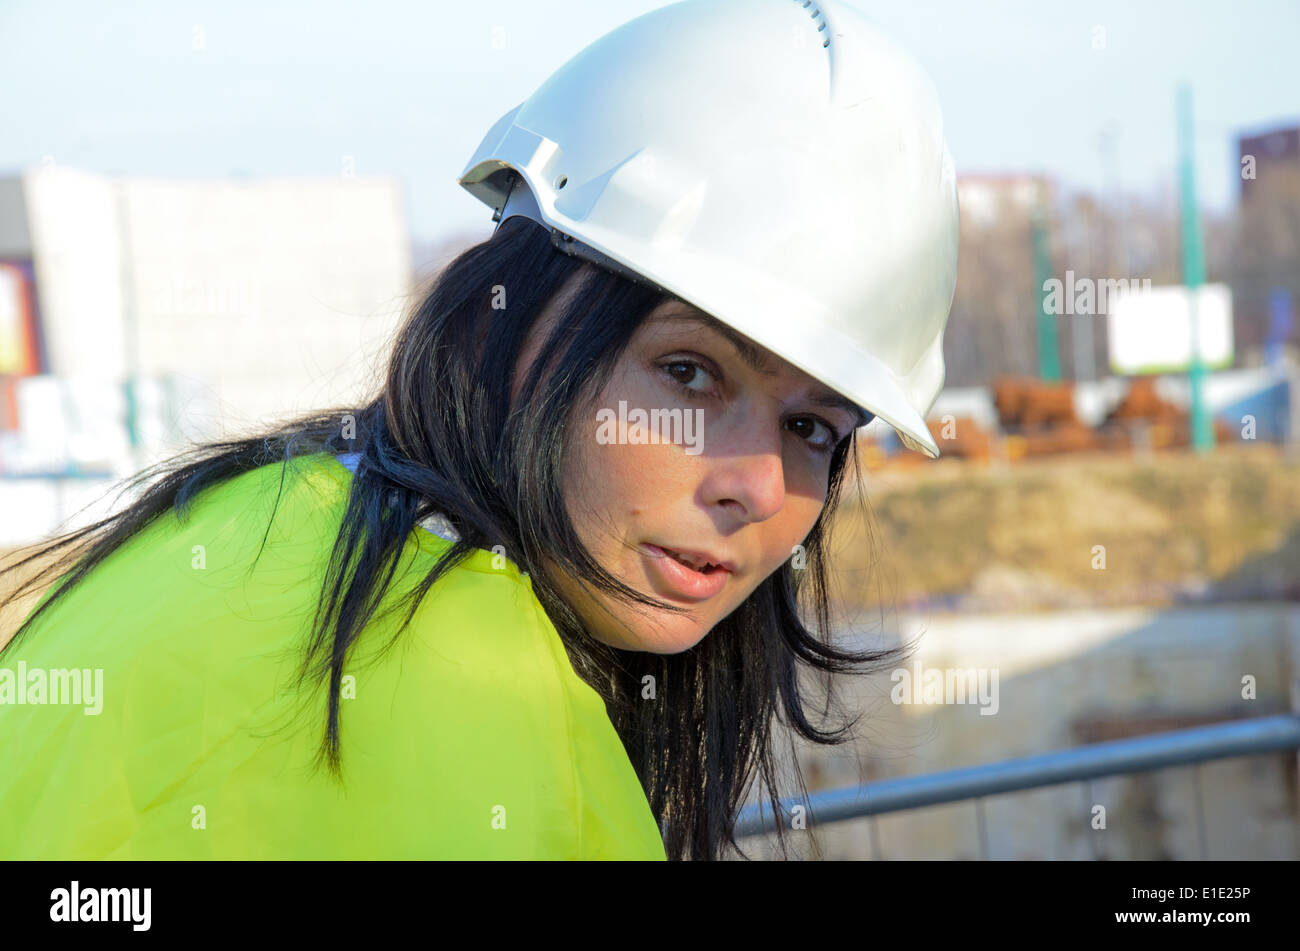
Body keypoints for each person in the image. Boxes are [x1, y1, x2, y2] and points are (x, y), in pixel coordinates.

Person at [0, 0, 957, 861]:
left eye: (812, 428)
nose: (754, 486)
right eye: (688, 373)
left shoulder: (243, 516)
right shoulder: (471, 693)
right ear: (518, 313)